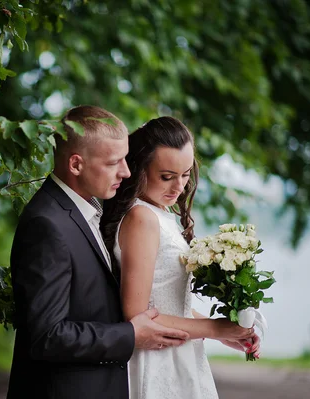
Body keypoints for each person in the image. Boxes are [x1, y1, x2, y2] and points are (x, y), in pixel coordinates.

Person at [6, 106, 191, 399]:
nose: (127, 171)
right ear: (76, 164)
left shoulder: (86, 211)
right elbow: (47, 337)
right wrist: (130, 335)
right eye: (114, 162)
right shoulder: (47, 224)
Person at [101, 116, 260, 399]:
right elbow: (138, 314)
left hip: (178, 351)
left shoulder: (159, 214)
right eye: (167, 176)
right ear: (139, 169)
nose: (179, 187)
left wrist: (226, 333)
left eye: (186, 174)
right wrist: (215, 327)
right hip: (158, 357)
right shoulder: (142, 218)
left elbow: (170, 304)